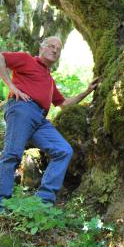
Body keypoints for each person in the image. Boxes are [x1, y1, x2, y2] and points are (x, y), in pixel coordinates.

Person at [0, 36, 98, 211]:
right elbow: (1, 57)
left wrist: (87, 91)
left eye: (58, 49)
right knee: (12, 154)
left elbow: (64, 104)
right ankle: (2, 203)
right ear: (41, 48)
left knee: (63, 150)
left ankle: (43, 201)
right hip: (22, 109)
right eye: (51, 46)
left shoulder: (49, 79)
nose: (55, 50)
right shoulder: (26, 59)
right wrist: (12, 87)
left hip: (40, 119)